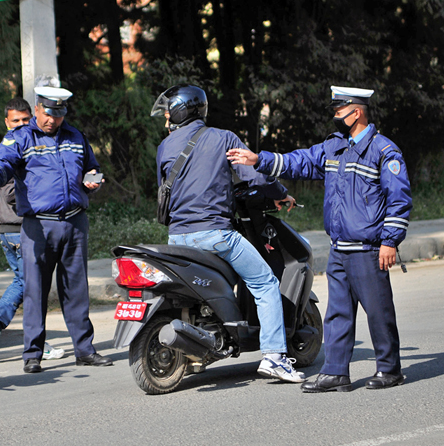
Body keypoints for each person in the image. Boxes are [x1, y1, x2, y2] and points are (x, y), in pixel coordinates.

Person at [227, 86, 412, 392]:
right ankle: (336, 372)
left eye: (340, 111)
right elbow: (299, 161)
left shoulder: (383, 151)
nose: (336, 116)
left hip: (368, 249)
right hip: (339, 248)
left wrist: (390, 242)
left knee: (379, 313)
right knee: (337, 314)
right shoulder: (334, 147)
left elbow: (399, 200)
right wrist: (259, 159)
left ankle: (390, 370)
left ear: (357, 112)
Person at [152, 84, 306, 383]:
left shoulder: (165, 146)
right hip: (215, 235)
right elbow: (256, 176)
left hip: (177, 237)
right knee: (265, 283)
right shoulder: (224, 138)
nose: (167, 118)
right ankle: (275, 357)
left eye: (169, 112)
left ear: (180, 111)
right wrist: (281, 194)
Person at [0, 86, 112, 374]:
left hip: (74, 223)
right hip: (38, 226)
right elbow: (3, 161)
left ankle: (84, 350)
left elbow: (92, 167)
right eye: (47, 114)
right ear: (37, 109)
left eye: (58, 115)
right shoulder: (21, 137)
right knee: (35, 290)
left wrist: (93, 179)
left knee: (77, 290)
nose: (52, 120)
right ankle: (33, 354)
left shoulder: (76, 137)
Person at [0, 97, 64, 361]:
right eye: (16, 120)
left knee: (24, 282)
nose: (21, 124)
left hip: (10, 229)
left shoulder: (20, 146)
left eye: (26, 120)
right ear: (6, 122)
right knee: (32, 285)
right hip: (18, 228)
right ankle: (26, 338)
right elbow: (12, 192)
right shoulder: (13, 149)